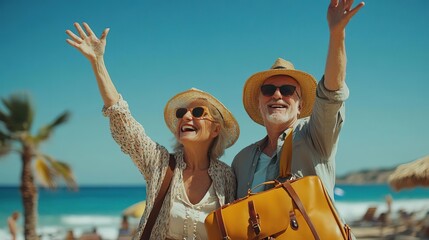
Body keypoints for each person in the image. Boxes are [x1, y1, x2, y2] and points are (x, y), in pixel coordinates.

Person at [66, 22, 239, 240]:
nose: (186, 116)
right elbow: (124, 123)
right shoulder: (160, 163)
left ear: (216, 129)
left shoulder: (228, 177)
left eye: (197, 112)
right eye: (181, 113)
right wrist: (98, 62)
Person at [233, 0, 364, 200]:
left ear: (301, 105)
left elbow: (330, 95)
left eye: (287, 90)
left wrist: (337, 34)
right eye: (268, 90)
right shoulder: (241, 161)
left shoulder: (315, 137)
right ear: (259, 104)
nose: (277, 95)